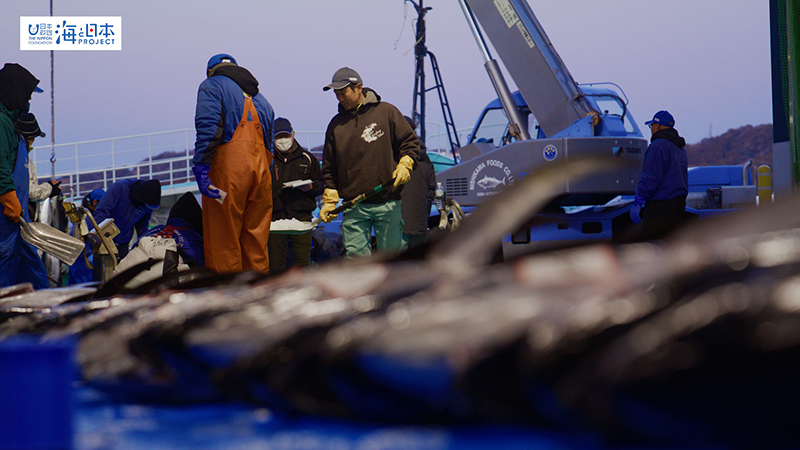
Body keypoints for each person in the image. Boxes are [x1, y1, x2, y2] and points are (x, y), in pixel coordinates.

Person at [319, 67, 420, 258]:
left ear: (359, 87)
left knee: (392, 258)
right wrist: (330, 200)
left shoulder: (387, 112)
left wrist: (405, 163)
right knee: (355, 261)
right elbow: (329, 166)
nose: (340, 98)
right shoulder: (335, 125)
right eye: (336, 94)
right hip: (353, 205)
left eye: (343, 92)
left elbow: (410, 143)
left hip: (387, 200)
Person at [192, 53, 274, 274]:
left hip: (229, 171)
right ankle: (259, 290)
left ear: (210, 71)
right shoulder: (262, 99)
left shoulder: (211, 85)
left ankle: (226, 291)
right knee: (256, 242)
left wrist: (201, 166)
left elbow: (208, 128)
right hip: (261, 173)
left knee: (223, 240)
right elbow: (270, 145)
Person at [0, 63, 48, 289]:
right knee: (5, 266)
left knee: (30, 267)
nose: (28, 100)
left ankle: (44, 306)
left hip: (19, 216)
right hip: (6, 213)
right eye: (27, 94)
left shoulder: (12, 121)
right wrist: (9, 197)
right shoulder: (1, 122)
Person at [268, 117, 324, 274]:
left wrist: (310, 187)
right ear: (272, 138)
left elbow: (321, 184)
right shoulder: (267, 160)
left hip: (302, 220)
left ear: (293, 134)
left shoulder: (308, 158)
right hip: (275, 220)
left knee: (302, 265)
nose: (282, 140)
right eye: (278, 136)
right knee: (275, 267)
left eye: (285, 135)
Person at [113, 192, 204, 286]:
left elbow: (134, 248)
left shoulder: (156, 229)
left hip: (125, 280)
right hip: (165, 284)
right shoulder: (191, 237)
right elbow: (204, 265)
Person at [626, 110, 688, 241]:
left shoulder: (657, 146)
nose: (651, 129)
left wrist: (639, 199)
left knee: (653, 244)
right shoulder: (680, 149)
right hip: (679, 205)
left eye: (651, 126)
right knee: (670, 243)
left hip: (660, 207)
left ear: (657, 126)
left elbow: (650, 177)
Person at [92, 178, 161, 260]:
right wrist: (101, 237)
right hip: (104, 240)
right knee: (102, 267)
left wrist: (146, 246)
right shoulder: (120, 187)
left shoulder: (148, 204)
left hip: (123, 242)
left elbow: (142, 227)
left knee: (122, 267)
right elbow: (101, 212)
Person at [400, 116, 436, 251]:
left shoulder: (394, 157)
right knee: (416, 260)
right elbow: (431, 192)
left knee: (397, 261)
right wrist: (424, 216)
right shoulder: (426, 160)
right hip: (420, 222)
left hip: (397, 225)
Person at [16, 113, 60, 217]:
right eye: (34, 137)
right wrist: (50, 188)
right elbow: (30, 192)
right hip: (21, 216)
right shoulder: (20, 157)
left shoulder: (18, 154)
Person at [67, 188, 105, 285]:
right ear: (95, 202)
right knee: (84, 288)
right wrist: (89, 254)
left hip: (81, 260)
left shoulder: (91, 216)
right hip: (83, 261)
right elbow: (76, 237)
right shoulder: (85, 217)